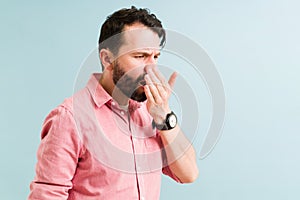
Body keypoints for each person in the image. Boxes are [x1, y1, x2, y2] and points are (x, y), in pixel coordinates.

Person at [29, 6, 198, 200]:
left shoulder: (151, 113)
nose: (151, 69)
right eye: (140, 56)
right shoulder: (69, 118)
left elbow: (189, 173)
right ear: (107, 58)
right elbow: (47, 195)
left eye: (156, 57)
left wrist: (165, 116)